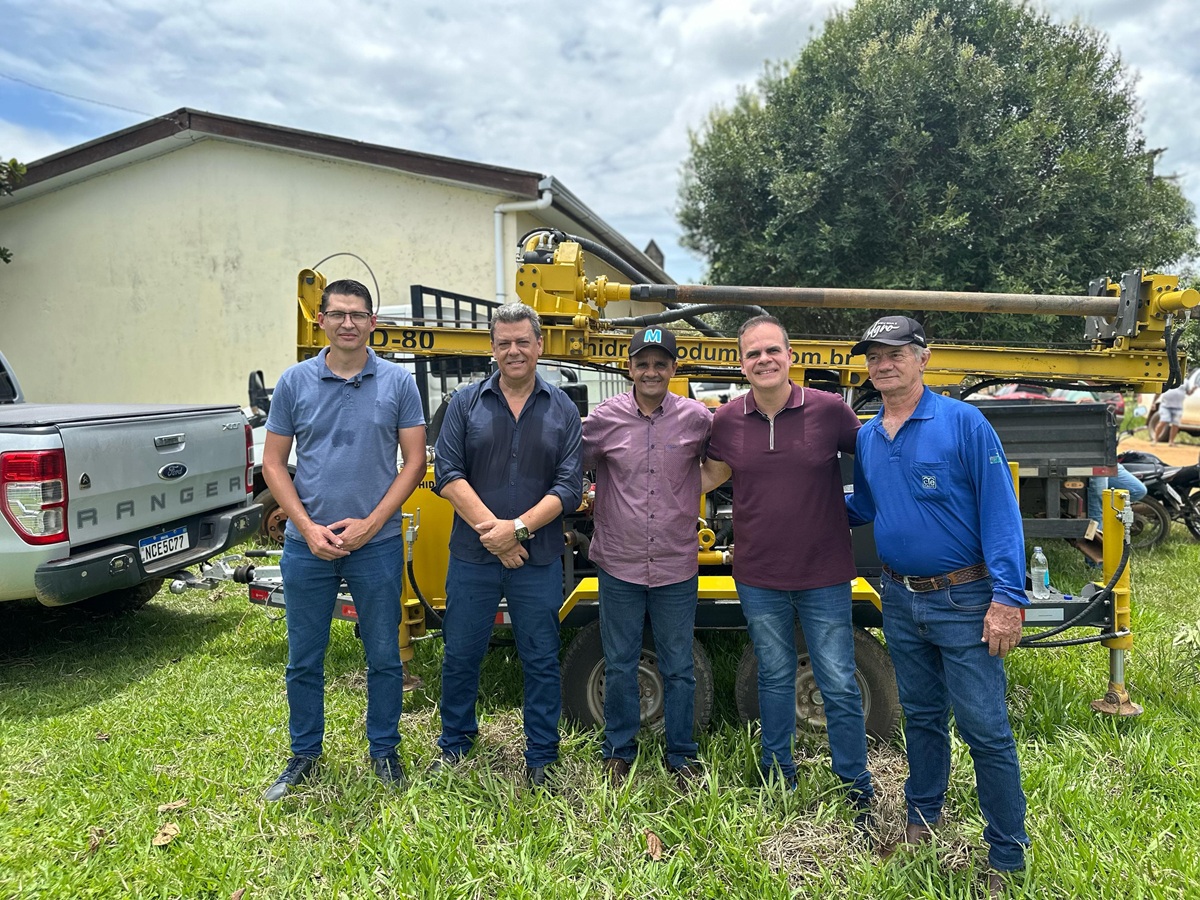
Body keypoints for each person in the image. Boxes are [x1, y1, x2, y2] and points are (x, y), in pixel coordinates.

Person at [845, 316, 1029, 894]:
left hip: (966, 599)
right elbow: (865, 507)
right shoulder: (869, 436)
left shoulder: (964, 424)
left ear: (924, 358)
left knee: (985, 729)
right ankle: (922, 818)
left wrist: (1007, 598)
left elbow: (1002, 513)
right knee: (921, 718)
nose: (884, 363)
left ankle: (1007, 853)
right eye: (874, 355)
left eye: (897, 352)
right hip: (900, 598)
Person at [700, 315, 875, 824]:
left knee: (839, 679)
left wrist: (861, 509)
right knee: (774, 676)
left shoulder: (830, 411)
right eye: (752, 354)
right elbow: (709, 474)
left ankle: (855, 783)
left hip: (824, 571)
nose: (764, 360)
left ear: (790, 355)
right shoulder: (727, 420)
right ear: (741, 363)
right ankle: (778, 773)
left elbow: (872, 458)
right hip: (758, 572)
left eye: (772, 350)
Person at [260, 278, 428, 800]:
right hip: (307, 544)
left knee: (383, 654)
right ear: (322, 321)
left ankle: (384, 751)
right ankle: (304, 756)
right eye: (337, 314)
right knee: (303, 657)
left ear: (373, 321)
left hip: (375, 543)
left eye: (358, 314)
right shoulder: (294, 383)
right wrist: (306, 527)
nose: (348, 322)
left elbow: (416, 462)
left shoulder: (399, 384)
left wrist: (373, 523)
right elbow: (272, 462)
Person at [433, 303, 583, 788]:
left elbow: (568, 489)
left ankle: (541, 756)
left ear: (539, 345)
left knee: (541, 657)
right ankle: (455, 745)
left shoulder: (563, 409)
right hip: (474, 557)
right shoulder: (465, 404)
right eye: (504, 343)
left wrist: (516, 529)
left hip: (535, 558)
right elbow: (447, 475)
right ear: (492, 348)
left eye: (523, 341)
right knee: (461, 653)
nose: (513, 351)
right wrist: (496, 536)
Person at [582, 326, 712, 789]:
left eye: (661, 363)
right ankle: (619, 750)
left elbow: (722, 463)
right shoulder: (603, 419)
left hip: (676, 563)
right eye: (643, 362)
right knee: (619, 661)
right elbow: (571, 464)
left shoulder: (698, 419)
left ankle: (682, 754)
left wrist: (691, 491)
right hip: (619, 561)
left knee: (679, 664)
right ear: (629, 367)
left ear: (674, 369)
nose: (651, 371)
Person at [1153, 381, 1196, 446]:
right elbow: (1159, 391)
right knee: (1163, 421)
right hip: (1165, 406)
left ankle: (1171, 441)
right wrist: (1154, 402)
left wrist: (1193, 389)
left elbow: (1188, 393)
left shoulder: (1186, 381)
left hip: (1178, 407)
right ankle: (1155, 439)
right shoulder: (1167, 379)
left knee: (1175, 424)